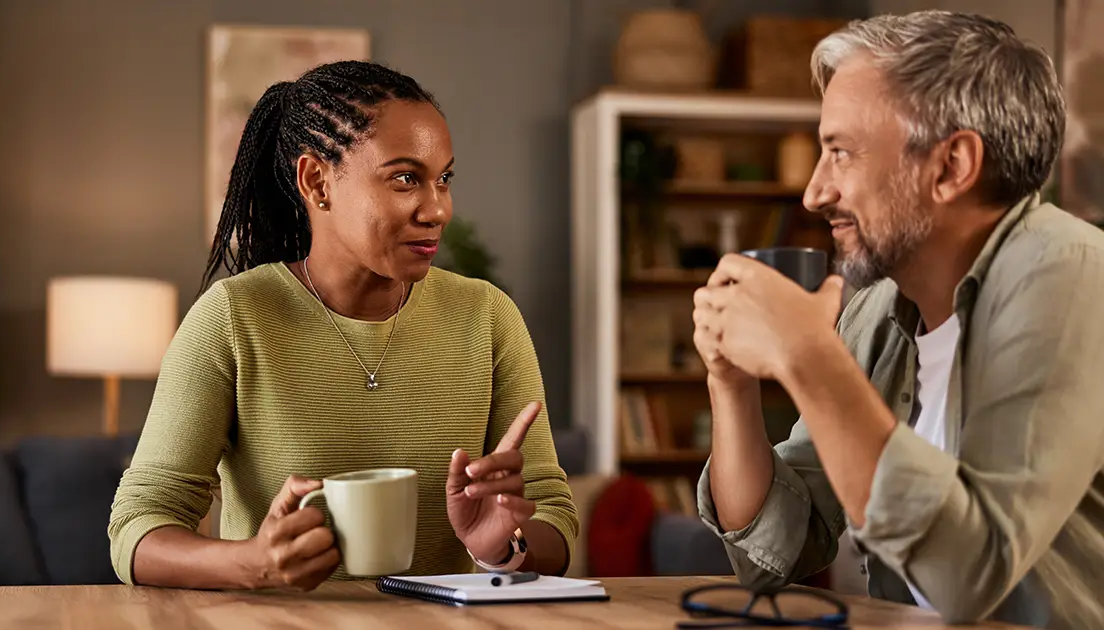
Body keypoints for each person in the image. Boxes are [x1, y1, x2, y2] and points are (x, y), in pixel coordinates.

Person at [692, 11, 1104, 629]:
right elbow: (776, 551)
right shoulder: (881, 311)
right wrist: (730, 381)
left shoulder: (1070, 277)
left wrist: (807, 355)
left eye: (841, 154)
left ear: (951, 166)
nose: (814, 192)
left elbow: (972, 573)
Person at [107, 60, 577, 591]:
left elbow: (554, 518)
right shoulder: (233, 318)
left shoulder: (487, 316)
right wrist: (251, 562)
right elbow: (136, 529)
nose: (438, 208)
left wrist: (504, 548)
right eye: (405, 179)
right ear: (317, 181)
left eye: (444, 179)